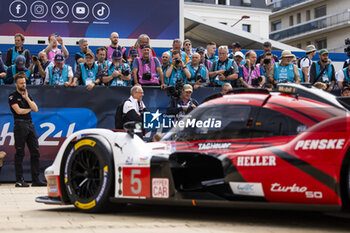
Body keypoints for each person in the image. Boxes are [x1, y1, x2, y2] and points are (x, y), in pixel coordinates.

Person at [8, 73, 46, 187]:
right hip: (20, 125)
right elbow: (19, 111)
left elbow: (36, 108)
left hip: (30, 125)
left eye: (24, 83)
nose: (23, 85)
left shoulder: (28, 95)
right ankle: (19, 180)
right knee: (20, 152)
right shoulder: (12, 96)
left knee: (35, 152)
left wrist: (27, 99)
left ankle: (36, 179)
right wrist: (30, 109)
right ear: (16, 85)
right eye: (21, 83)